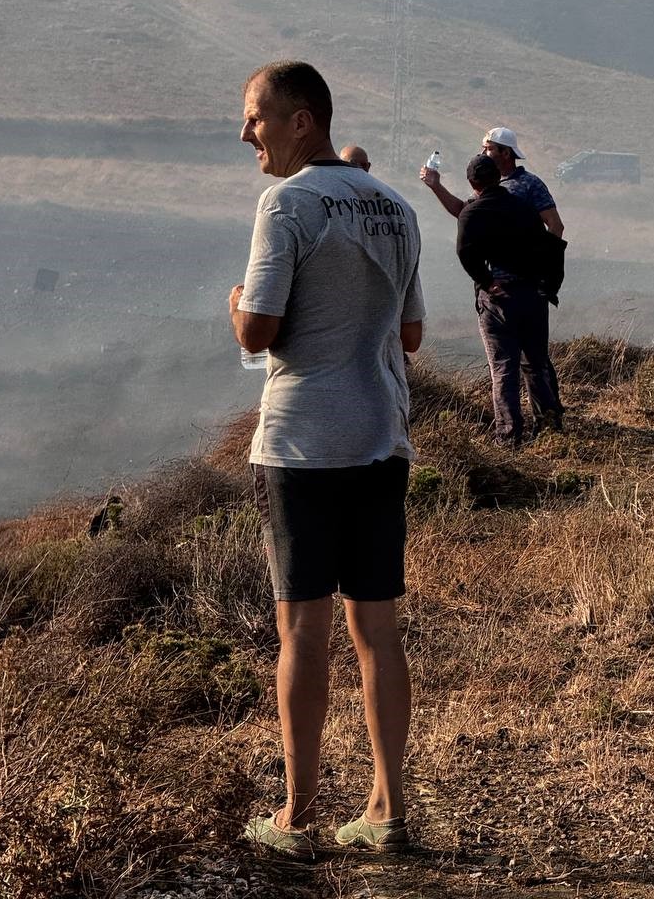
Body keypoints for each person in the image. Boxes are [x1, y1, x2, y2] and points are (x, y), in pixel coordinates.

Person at [230, 61, 425, 859]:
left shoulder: (287, 202)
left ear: (302, 120)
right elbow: (409, 337)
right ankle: (386, 808)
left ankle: (298, 817)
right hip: (382, 434)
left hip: (305, 441)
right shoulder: (397, 205)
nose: (247, 133)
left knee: (302, 633)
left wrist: (236, 307)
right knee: (377, 630)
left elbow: (259, 332)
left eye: (256, 117)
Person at [420, 125, 565, 429]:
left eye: (487, 148)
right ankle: (548, 425)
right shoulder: (496, 193)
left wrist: (541, 271)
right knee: (530, 360)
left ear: (505, 152)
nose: (482, 151)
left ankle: (520, 428)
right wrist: (436, 187)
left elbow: (555, 226)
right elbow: (466, 211)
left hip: (512, 287)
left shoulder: (528, 186)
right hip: (521, 289)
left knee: (518, 364)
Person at [455, 155, 559, 446]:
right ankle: (549, 427)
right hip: (531, 294)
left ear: (473, 184)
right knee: (536, 363)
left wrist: (488, 282)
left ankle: (510, 436)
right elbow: (545, 242)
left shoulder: (473, 212)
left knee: (503, 368)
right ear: (498, 178)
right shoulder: (523, 208)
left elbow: (465, 253)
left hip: (498, 299)